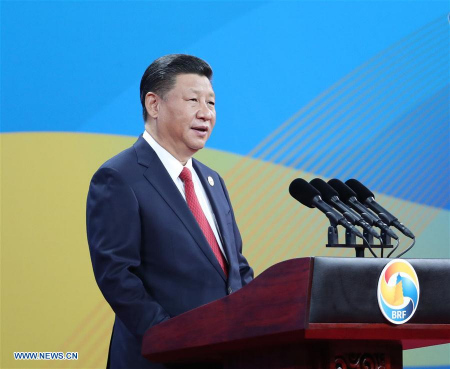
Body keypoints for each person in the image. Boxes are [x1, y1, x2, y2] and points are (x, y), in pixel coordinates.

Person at [86, 54, 254, 369]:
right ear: (154, 105)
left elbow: (237, 270)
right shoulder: (119, 177)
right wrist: (171, 337)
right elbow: (117, 275)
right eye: (193, 100)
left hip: (226, 354)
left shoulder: (212, 181)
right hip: (160, 358)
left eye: (212, 103)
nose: (206, 114)